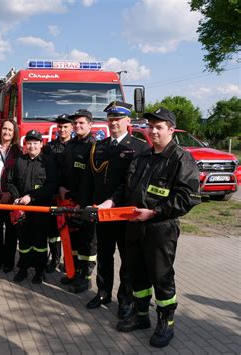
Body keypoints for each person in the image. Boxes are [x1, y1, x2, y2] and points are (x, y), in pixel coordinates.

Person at [106, 108, 201, 347]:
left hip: (160, 228)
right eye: (151, 126)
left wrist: (155, 212)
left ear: (171, 130)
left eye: (159, 127)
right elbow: (126, 187)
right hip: (134, 226)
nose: (153, 130)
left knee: (161, 277)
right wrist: (112, 201)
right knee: (136, 273)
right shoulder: (142, 156)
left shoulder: (181, 159)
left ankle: (165, 322)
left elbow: (187, 197)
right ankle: (141, 316)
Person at [86, 101, 149, 319]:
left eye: (118, 119)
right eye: (111, 119)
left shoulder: (140, 147)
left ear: (128, 121)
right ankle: (103, 292)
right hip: (102, 211)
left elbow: (135, 182)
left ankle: (126, 299)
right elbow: (94, 180)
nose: (114, 123)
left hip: (124, 212)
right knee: (104, 254)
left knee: (127, 257)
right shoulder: (100, 146)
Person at [7, 130, 58, 284]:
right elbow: (10, 182)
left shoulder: (48, 162)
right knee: (24, 242)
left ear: (41, 145)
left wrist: (32, 197)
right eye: (29, 143)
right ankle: (23, 269)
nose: (32, 146)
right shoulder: (19, 161)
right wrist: (17, 197)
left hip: (40, 210)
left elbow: (51, 186)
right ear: (25, 145)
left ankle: (39, 271)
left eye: (35, 143)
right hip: (23, 210)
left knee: (40, 243)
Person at [58, 109, 96, 294]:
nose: (78, 126)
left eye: (82, 123)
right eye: (76, 123)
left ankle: (85, 278)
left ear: (90, 124)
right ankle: (73, 272)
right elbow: (66, 171)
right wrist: (62, 188)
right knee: (72, 240)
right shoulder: (71, 144)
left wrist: (83, 202)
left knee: (86, 241)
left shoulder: (93, 146)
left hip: (85, 202)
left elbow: (91, 178)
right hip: (69, 199)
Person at [0, 120, 22, 273]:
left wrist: (10, 193)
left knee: (11, 232)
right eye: (4, 129)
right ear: (0, 130)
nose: (7, 132)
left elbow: (20, 176)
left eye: (10, 129)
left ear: (14, 132)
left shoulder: (19, 152)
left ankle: (9, 262)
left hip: (10, 198)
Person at [42, 113, 73, 273]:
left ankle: (69, 264)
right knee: (53, 231)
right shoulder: (49, 147)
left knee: (69, 231)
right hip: (53, 195)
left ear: (71, 128)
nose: (62, 129)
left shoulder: (75, 146)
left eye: (65, 127)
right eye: (60, 126)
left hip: (70, 196)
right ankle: (54, 258)